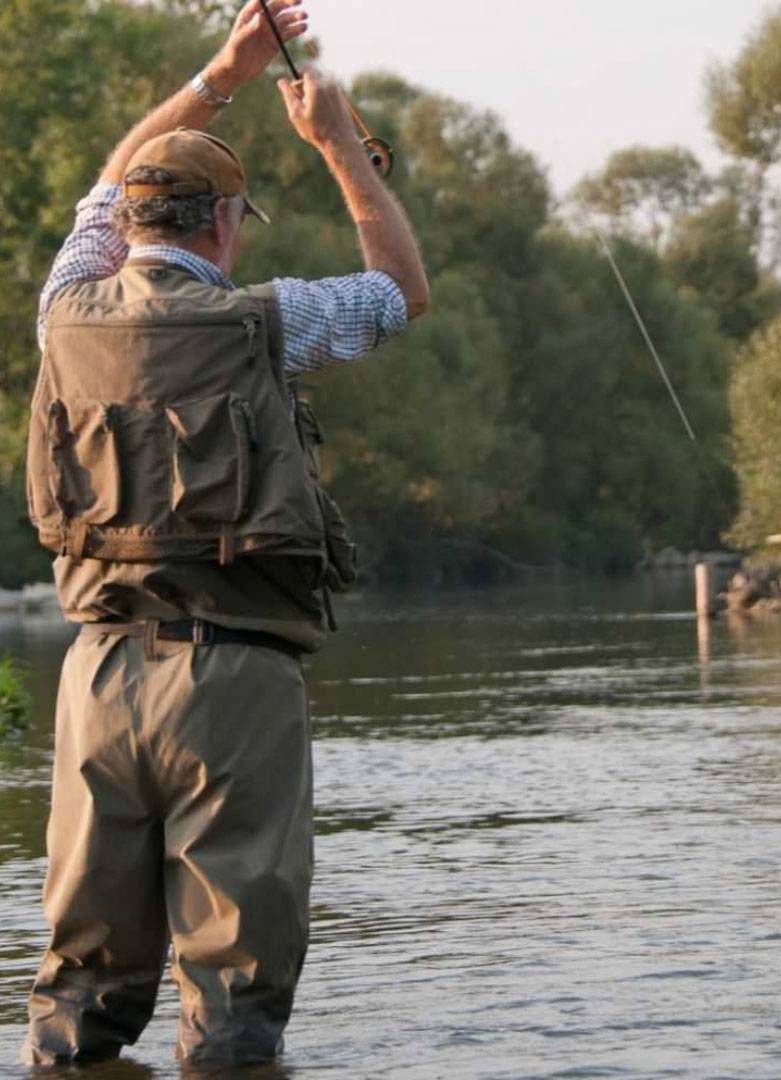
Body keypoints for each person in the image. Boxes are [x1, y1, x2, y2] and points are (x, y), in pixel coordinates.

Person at [21, 0, 428, 1067]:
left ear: (131, 226)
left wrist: (222, 72)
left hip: (96, 677)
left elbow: (105, 189)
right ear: (224, 225)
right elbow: (400, 288)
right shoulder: (269, 319)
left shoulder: (65, 308)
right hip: (236, 684)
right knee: (237, 1012)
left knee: (78, 1001)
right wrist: (341, 145)